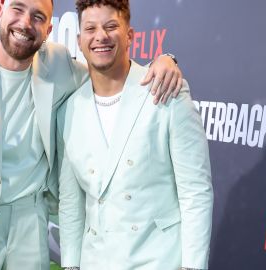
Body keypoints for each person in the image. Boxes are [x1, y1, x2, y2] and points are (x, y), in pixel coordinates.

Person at [0, 0, 183, 269]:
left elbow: (106, 69)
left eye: (38, 16)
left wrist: (165, 59)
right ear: (0, 12)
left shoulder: (57, 63)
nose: (25, 23)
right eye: (17, 9)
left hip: (30, 217)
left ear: (48, 29)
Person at [56, 1, 214, 270]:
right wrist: (70, 265)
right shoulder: (68, 110)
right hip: (96, 261)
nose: (101, 37)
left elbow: (196, 193)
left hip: (158, 260)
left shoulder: (167, 91)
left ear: (130, 35)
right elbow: (71, 202)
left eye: (111, 26)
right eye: (91, 28)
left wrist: (193, 267)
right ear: (80, 40)